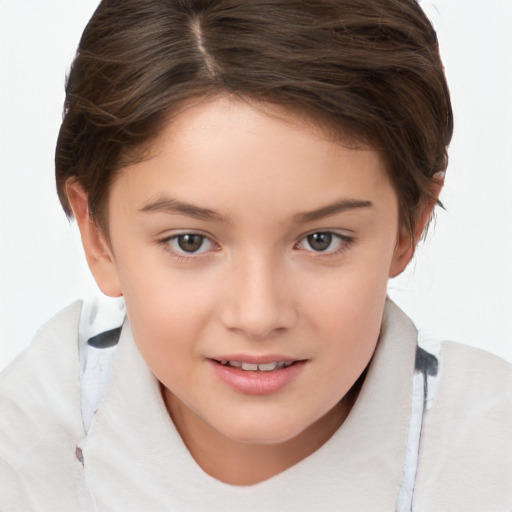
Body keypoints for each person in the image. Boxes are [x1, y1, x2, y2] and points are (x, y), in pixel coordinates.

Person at [0, 0, 510, 510]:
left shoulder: (491, 452)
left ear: (408, 227)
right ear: (98, 235)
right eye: (190, 241)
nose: (258, 315)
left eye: (321, 240)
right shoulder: (25, 440)